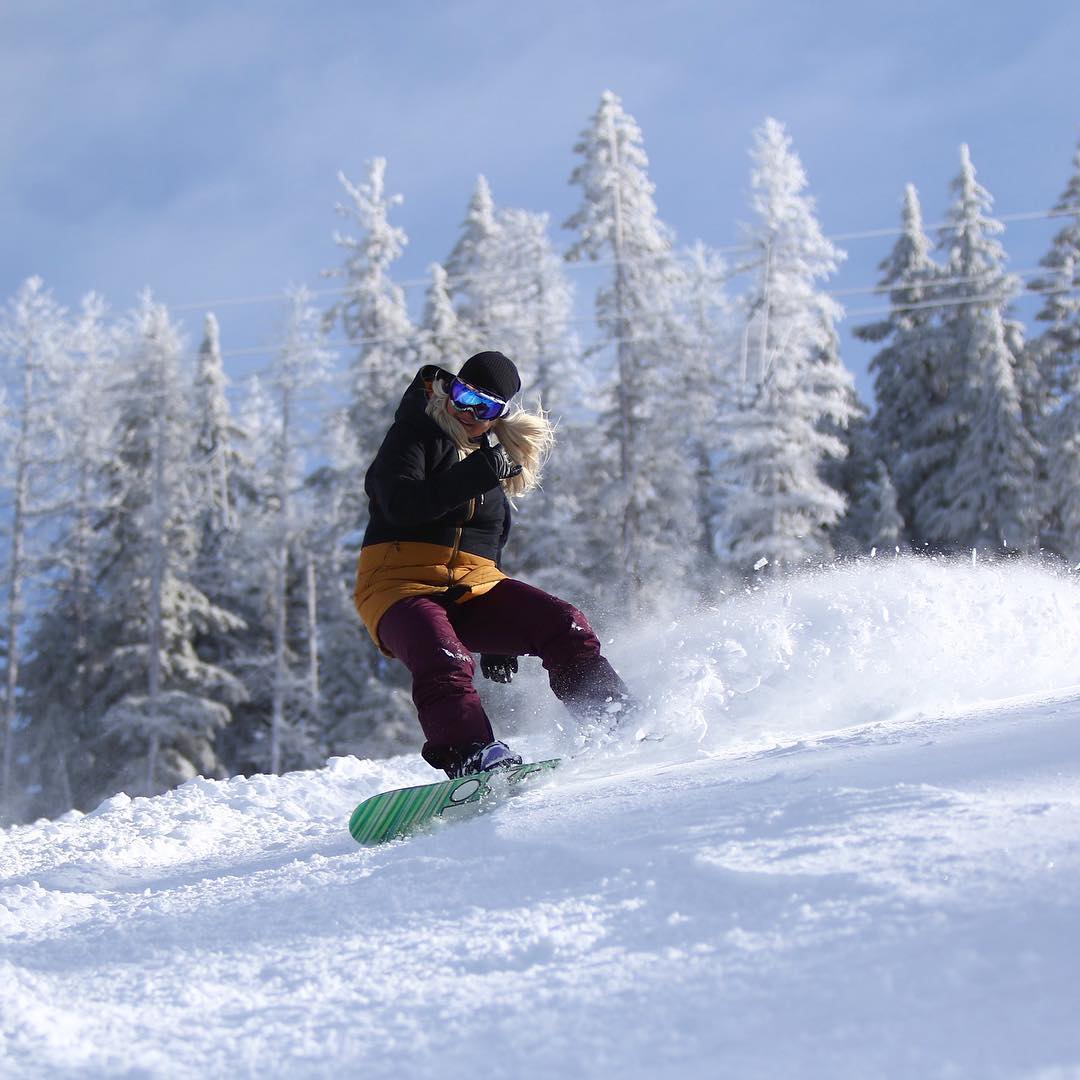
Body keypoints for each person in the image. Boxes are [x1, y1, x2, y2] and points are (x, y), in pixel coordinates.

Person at [354, 350, 636, 778]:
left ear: (499, 415)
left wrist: (494, 640)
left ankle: (613, 721)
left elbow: (487, 545)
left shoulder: (489, 456)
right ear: (452, 388)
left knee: (563, 623)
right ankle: (471, 755)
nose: (469, 412)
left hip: (474, 585)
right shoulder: (415, 434)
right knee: (443, 657)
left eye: (484, 407)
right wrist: (475, 474)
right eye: (465, 396)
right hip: (399, 585)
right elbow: (398, 504)